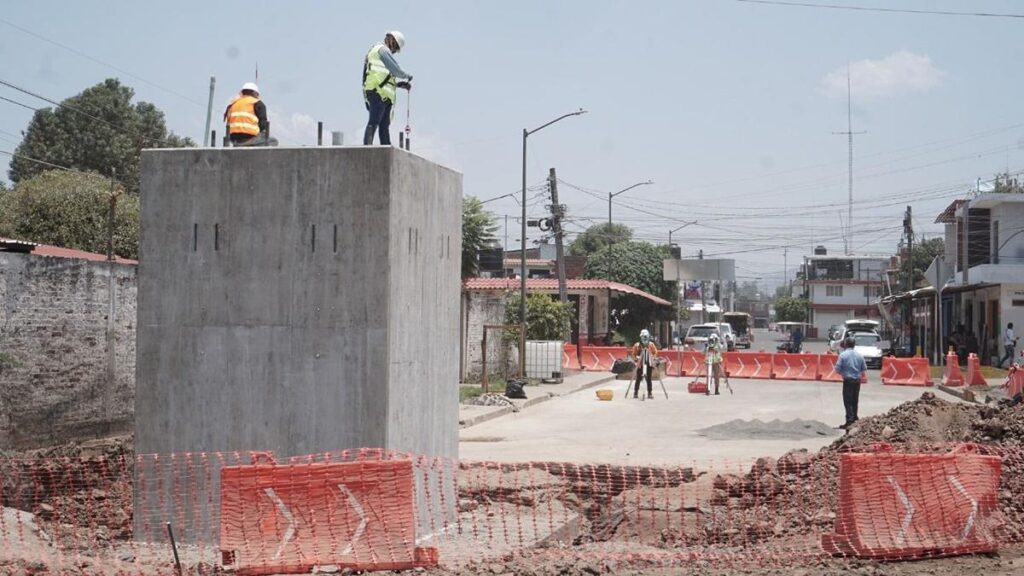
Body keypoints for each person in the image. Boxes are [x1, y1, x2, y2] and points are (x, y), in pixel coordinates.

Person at [363, 31, 413, 146]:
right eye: (395, 46)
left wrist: (400, 85)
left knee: (384, 126)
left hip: (384, 95)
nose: (394, 50)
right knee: (374, 122)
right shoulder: (382, 50)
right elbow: (395, 70)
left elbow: (386, 78)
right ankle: (367, 148)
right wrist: (407, 76)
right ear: (391, 40)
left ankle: (386, 150)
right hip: (377, 92)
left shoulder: (382, 54)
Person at [835, 336, 867, 430]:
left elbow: (837, 369)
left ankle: (849, 421)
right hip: (857, 381)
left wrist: (844, 373)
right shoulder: (859, 355)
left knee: (848, 402)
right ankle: (854, 419)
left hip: (848, 380)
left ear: (846, 344)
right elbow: (864, 368)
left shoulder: (843, 355)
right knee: (855, 400)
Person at [630, 329, 658, 399]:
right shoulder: (637, 345)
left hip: (648, 363)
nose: (644, 338)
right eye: (643, 337)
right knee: (638, 378)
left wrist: (652, 357)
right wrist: (637, 359)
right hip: (640, 364)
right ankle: (635, 393)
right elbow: (633, 354)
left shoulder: (651, 345)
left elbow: (655, 352)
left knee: (649, 379)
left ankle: (649, 393)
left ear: (648, 337)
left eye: (646, 337)